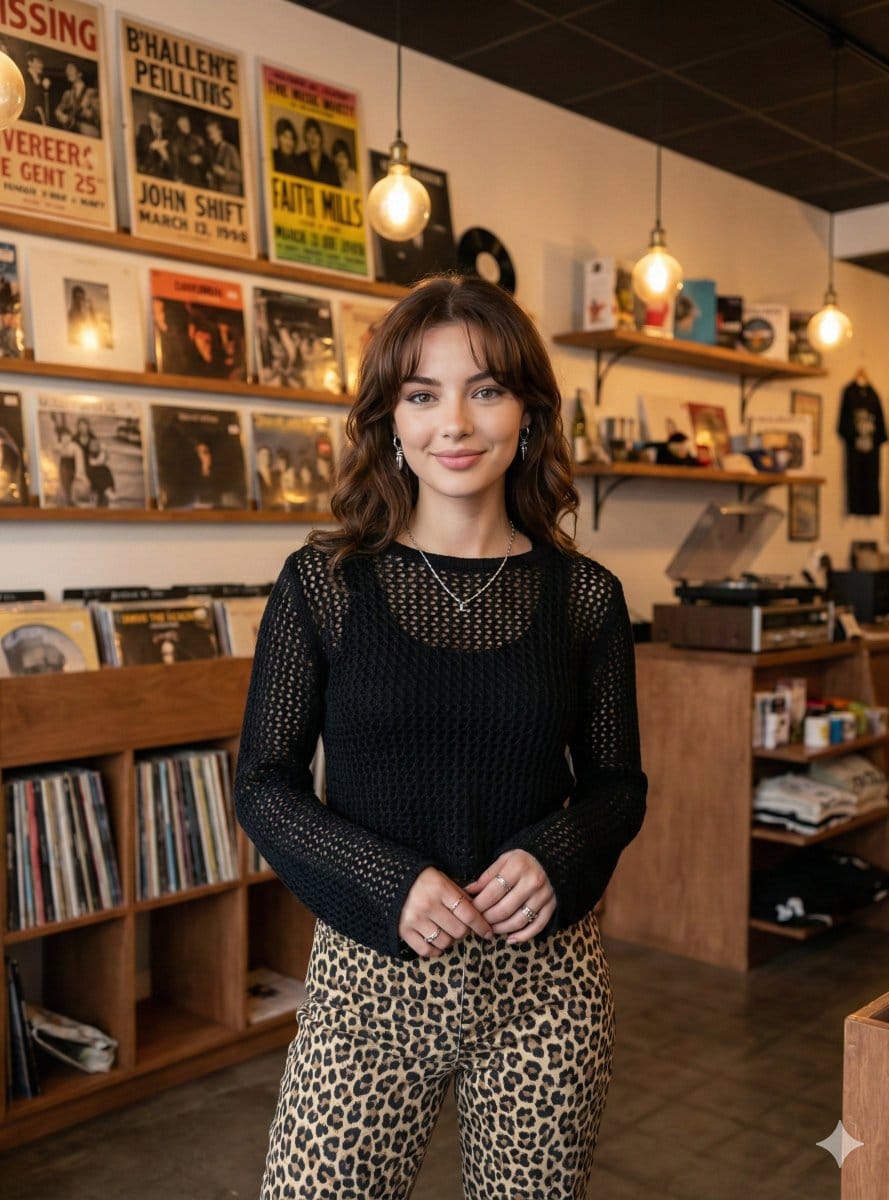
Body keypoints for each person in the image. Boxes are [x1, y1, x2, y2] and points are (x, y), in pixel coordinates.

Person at [234, 273, 647, 1198]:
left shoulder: (586, 599)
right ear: (390, 419)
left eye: (485, 389)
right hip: (365, 985)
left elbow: (620, 783)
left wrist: (558, 850)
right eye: (422, 395)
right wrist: (391, 881)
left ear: (529, 414)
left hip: (545, 990)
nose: (453, 423)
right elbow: (263, 783)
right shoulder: (323, 585)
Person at [53, 62, 100, 136]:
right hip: (71, 131)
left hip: (88, 131)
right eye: (67, 70)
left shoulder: (92, 92)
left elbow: (99, 116)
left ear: (80, 73)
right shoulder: (67, 94)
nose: (68, 72)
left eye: (71, 70)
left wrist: (88, 113)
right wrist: (61, 116)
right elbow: (58, 110)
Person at [294, 116, 341, 187]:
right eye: (309, 133)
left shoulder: (330, 165)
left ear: (321, 138)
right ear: (305, 137)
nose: (313, 137)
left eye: (316, 133)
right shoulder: (299, 160)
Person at [205, 118, 243, 195]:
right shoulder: (209, 150)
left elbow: (240, 177)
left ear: (220, 131)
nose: (210, 134)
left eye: (212, 131)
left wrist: (224, 173)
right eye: (208, 132)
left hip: (229, 195)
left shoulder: (230, 149)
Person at [135, 103, 172, 178]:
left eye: (160, 116)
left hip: (165, 175)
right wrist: (152, 146)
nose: (157, 118)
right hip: (148, 172)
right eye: (155, 114)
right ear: (150, 115)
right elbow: (140, 148)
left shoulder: (168, 135)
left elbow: (173, 157)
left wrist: (166, 157)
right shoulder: (144, 129)